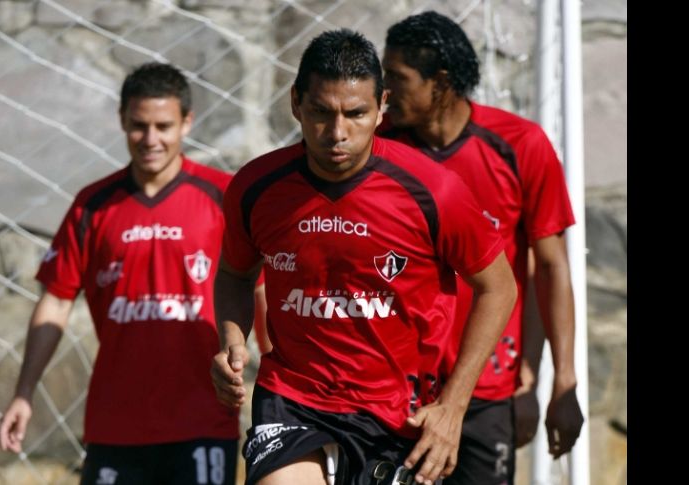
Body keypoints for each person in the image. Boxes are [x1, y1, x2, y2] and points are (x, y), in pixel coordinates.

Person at [210, 29, 517, 485]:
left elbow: (499, 287)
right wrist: (232, 338)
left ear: (381, 108)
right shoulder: (257, 187)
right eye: (320, 112)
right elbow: (235, 274)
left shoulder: (434, 191)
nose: (337, 133)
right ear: (296, 102)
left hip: (397, 408)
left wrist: (452, 408)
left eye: (355, 114)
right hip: (293, 395)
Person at [0, 62, 248, 485]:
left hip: (203, 420)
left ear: (187, 122)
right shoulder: (92, 206)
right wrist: (24, 392)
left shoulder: (223, 197)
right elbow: (56, 302)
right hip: (115, 426)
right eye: (138, 126)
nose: (151, 139)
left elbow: (258, 291)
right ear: (121, 121)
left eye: (163, 126)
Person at [380, 11, 584, 485]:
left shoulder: (521, 145)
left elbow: (550, 269)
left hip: (487, 390)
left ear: (442, 82)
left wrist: (557, 383)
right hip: (398, 391)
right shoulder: (381, 149)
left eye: (399, 77)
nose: (384, 91)